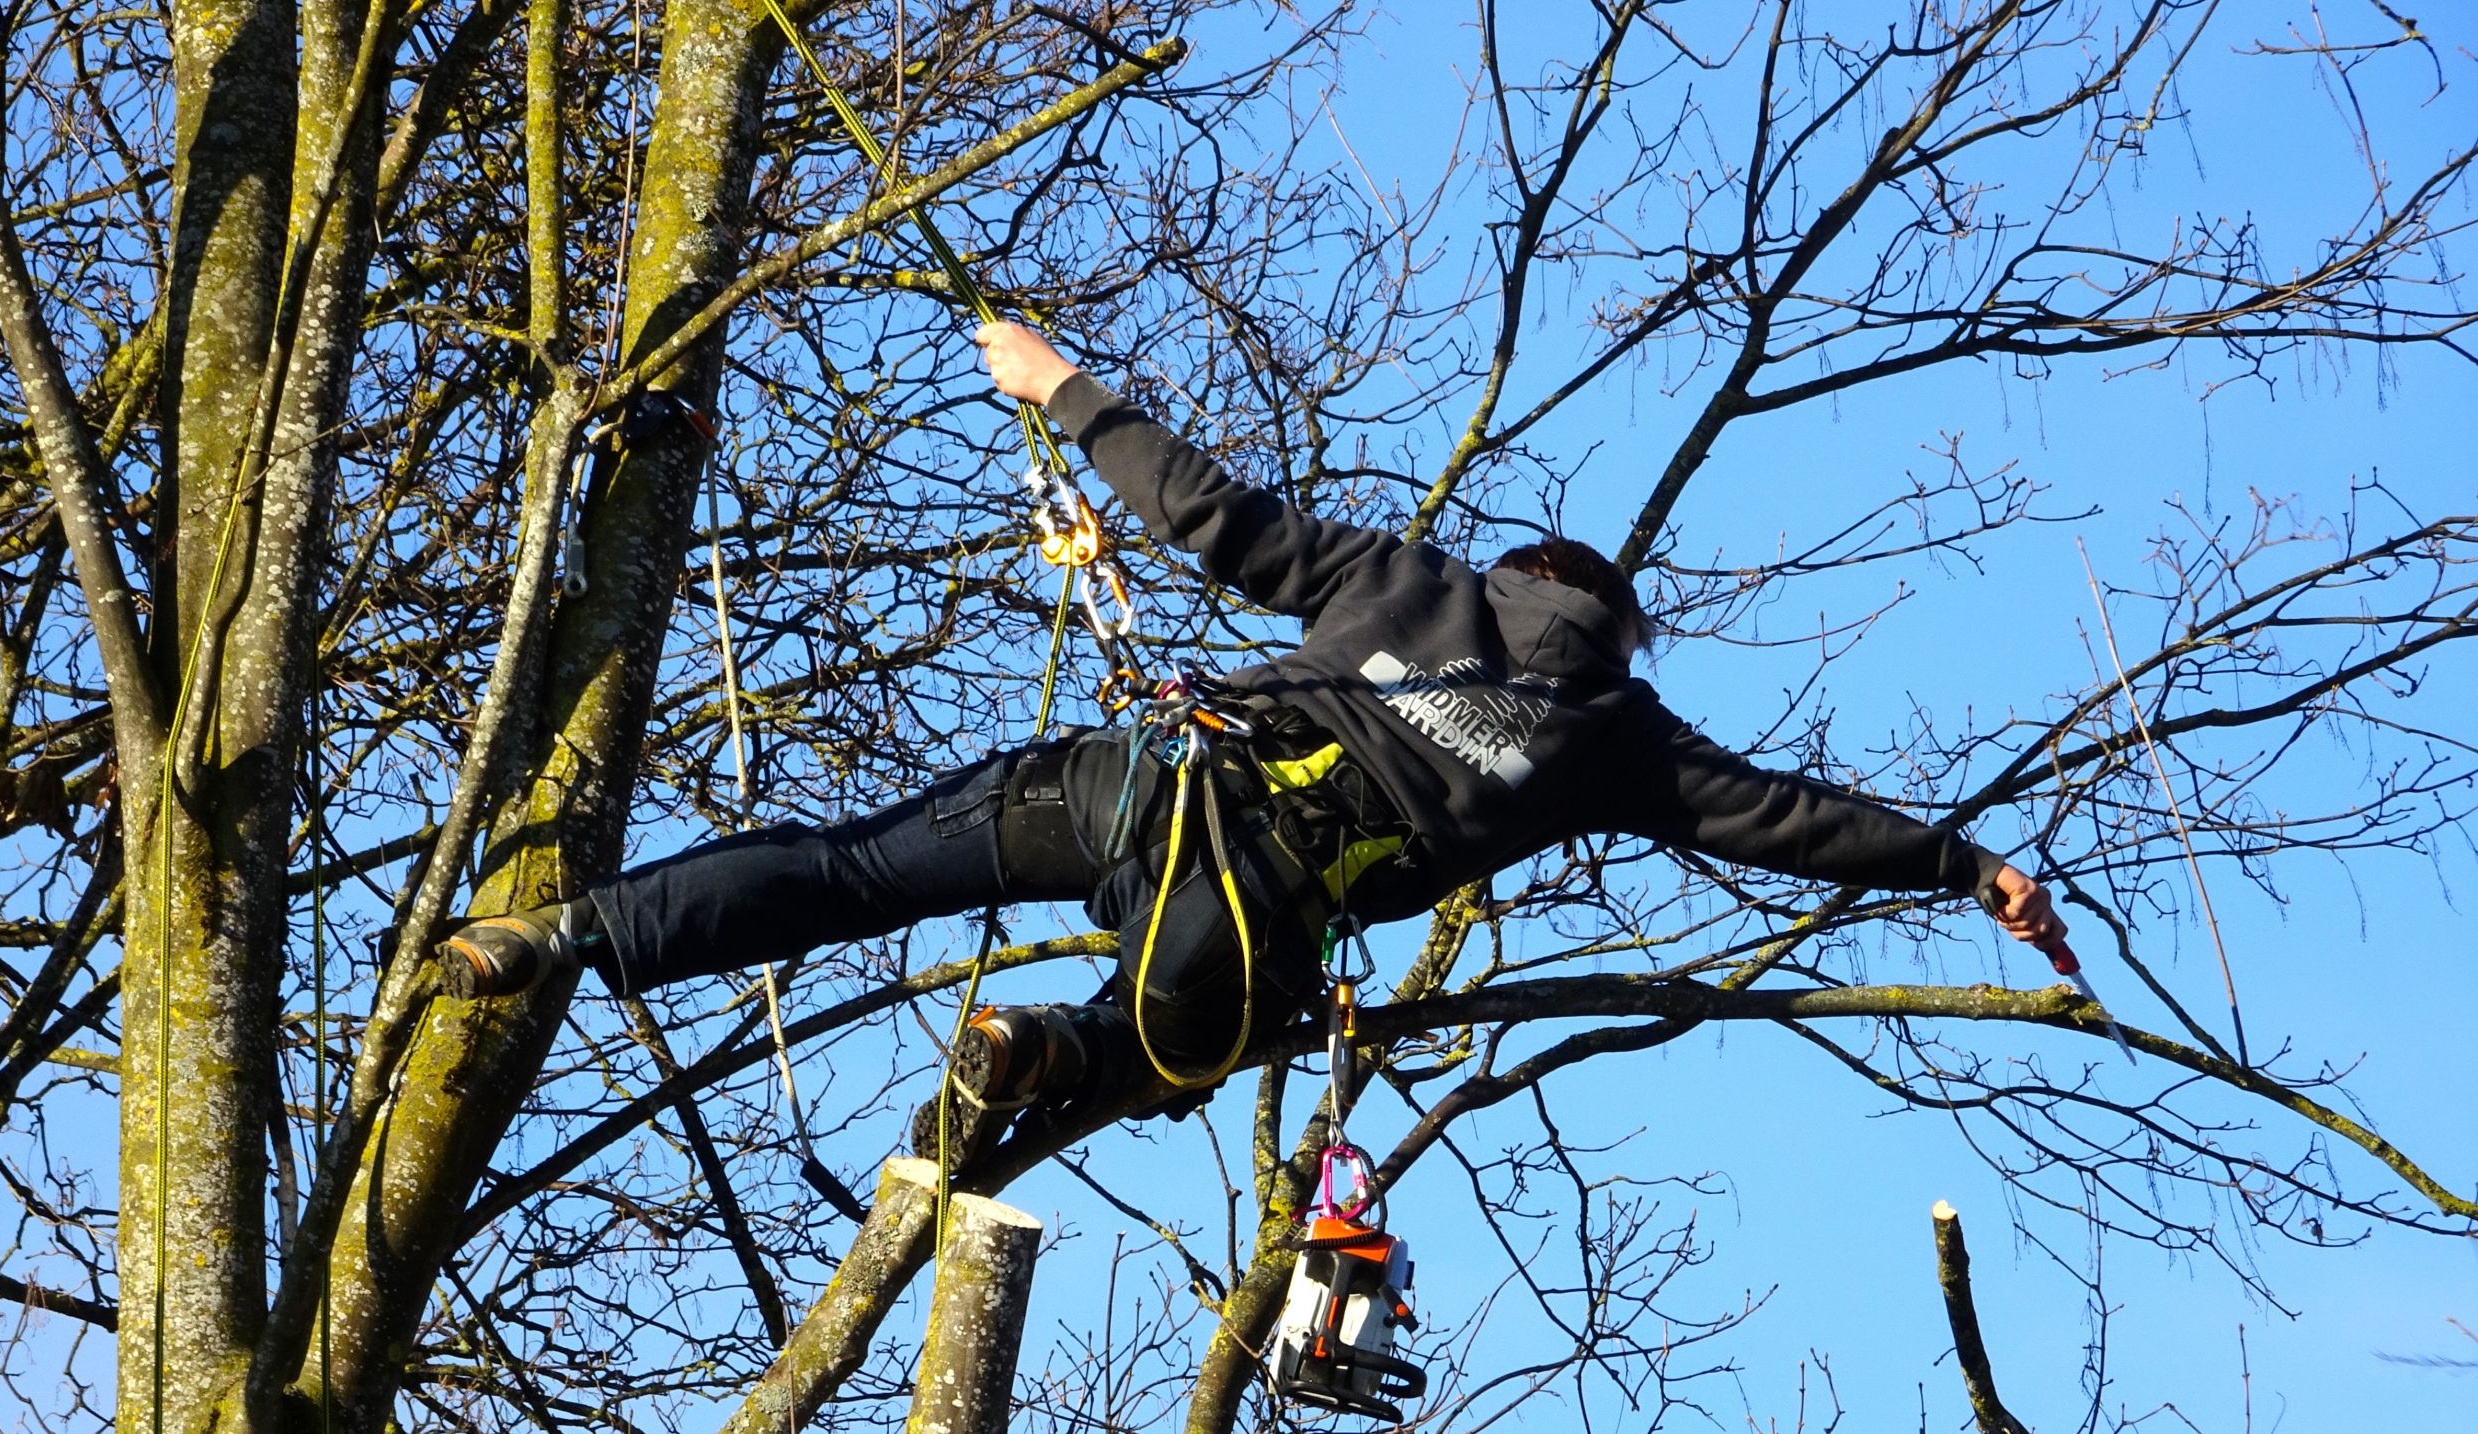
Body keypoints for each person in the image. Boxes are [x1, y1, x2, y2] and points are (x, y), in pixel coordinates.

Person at [441, 323, 2066, 1147]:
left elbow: (1220, 518)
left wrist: (1061, 388)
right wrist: (1964, 860)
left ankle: (567, 935)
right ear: (1617, 629)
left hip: (1137, 782)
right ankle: (1039, 1052)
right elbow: (1783, 818)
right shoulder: (1619, 735)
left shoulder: (1407, 577)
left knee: (854, 870)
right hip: (1251, 894)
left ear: (1515, 573)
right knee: (1176, 1038)